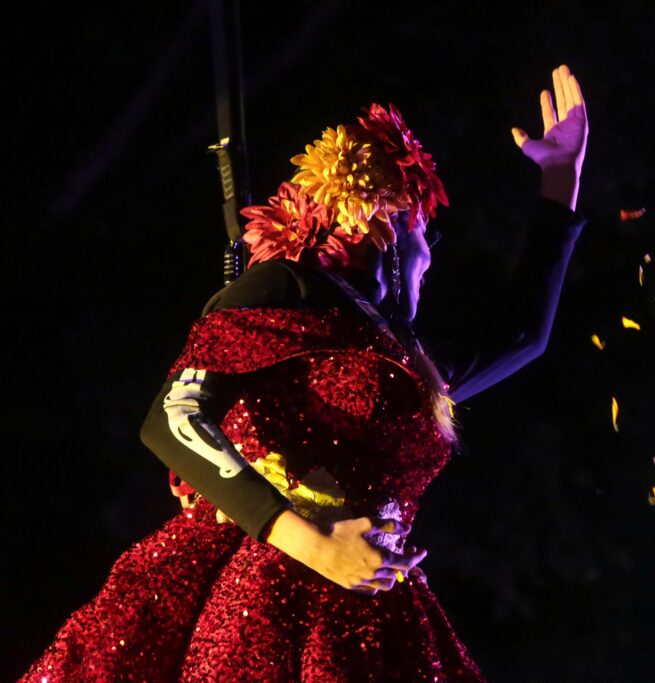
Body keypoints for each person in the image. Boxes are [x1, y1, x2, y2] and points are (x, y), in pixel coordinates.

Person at [21, 64, 588, 681]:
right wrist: (315, 546)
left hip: (374, 611)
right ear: (389, 221)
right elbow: (172, 418)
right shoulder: (287, 288)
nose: (433, 255)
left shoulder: (402, 360)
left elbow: (523, 337)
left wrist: (561, 184)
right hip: (269, 592)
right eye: (427, 232)